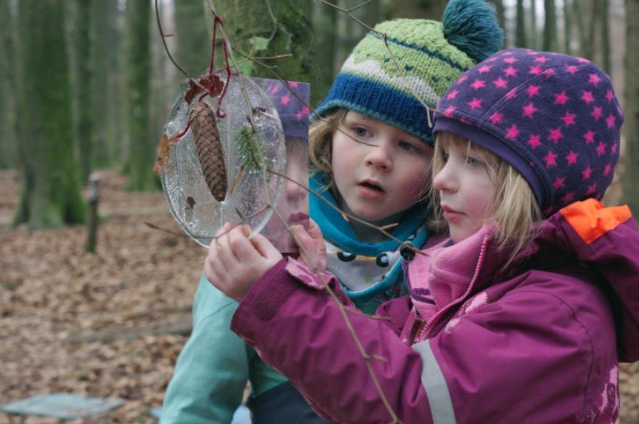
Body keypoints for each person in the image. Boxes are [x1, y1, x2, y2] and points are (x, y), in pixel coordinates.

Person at [205, 48, 639, 423]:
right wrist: (310, 283)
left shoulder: (557, 312)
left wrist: (278, 302)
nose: (442, 180)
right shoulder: (472, 277)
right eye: (444, 157)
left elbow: (406, 402)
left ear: (534, 185)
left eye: (472, 162)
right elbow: (383, 365)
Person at [159, 1, 503, 422]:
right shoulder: (267, 235)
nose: (379, 157)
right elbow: (200, 397)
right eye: (361, 130)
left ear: (441, 163)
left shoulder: (452, 258)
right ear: (330, 130)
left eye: (409, 144)